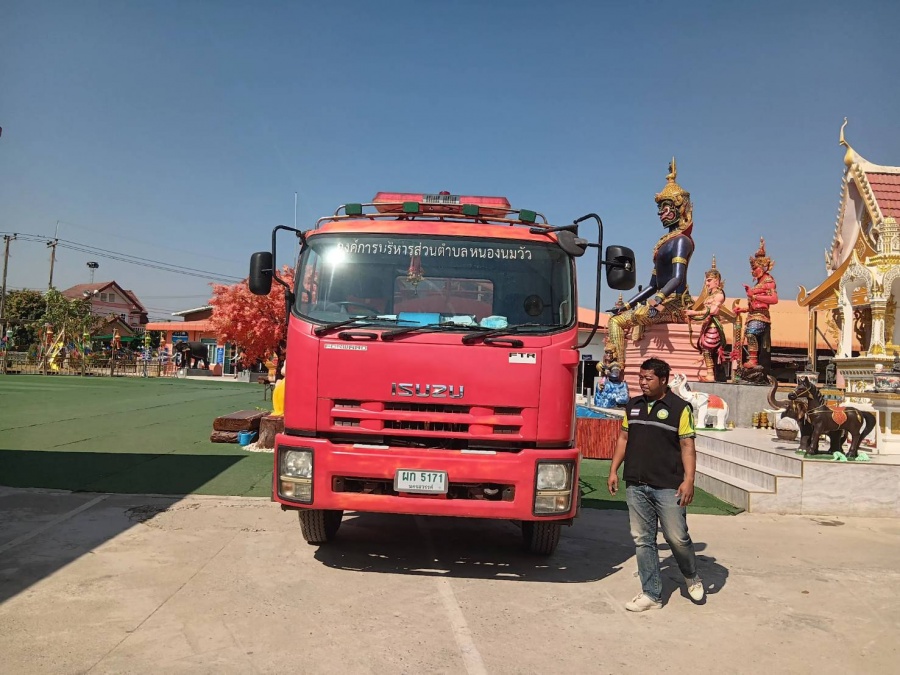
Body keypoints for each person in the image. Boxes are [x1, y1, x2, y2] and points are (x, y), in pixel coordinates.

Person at [607, 357, 704, 611]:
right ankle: (651, 594)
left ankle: (691, 574)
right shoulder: (633, 405)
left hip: (669, 485)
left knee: (677, 537)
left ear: (663, 380)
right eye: (641, 377)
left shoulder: (680, 408)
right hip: (636, 484)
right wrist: (613, 470)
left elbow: (687, 445)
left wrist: (689, 480)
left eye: (648, 378)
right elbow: (623, 438)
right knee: (643, 539)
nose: (643, 382)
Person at [607, 158, 695, 370]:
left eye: (666, 209)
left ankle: (618, 366)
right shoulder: (664, 243)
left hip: (675, 304)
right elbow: (652, 285)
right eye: (660, 210)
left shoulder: (682, 241)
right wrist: (626, 306)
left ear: (680, 209)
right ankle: (615, 362)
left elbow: (677, 278)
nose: (661, 214)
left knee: (626, 319)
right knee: (615, 318)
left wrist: (659, 299)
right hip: (661, 300)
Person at [734, 237, 778, 369]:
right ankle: (752, 360)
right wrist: (743, 309)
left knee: (751, 333)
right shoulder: (758, 284)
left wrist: (754, 296)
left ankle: (753, 360)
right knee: (748, 336)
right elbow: (753, 305)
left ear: (763, 267)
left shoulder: (768, 281)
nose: (752, 271)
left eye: (755, 268)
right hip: (752, 315)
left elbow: (774, 299)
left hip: (761, 316)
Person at [684, 256, 727, 382]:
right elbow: (705, 313)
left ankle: (711, 375)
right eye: (706, 281)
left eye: (709, 280)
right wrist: (692, 317)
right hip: (707, 325)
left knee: (708, 348)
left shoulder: (719, 295)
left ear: (717, 281)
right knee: (705, 349)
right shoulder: (709, 296)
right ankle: (711, 374)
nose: (707, 283)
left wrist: (694, 312)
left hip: (714, 326)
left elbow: (712, 311)